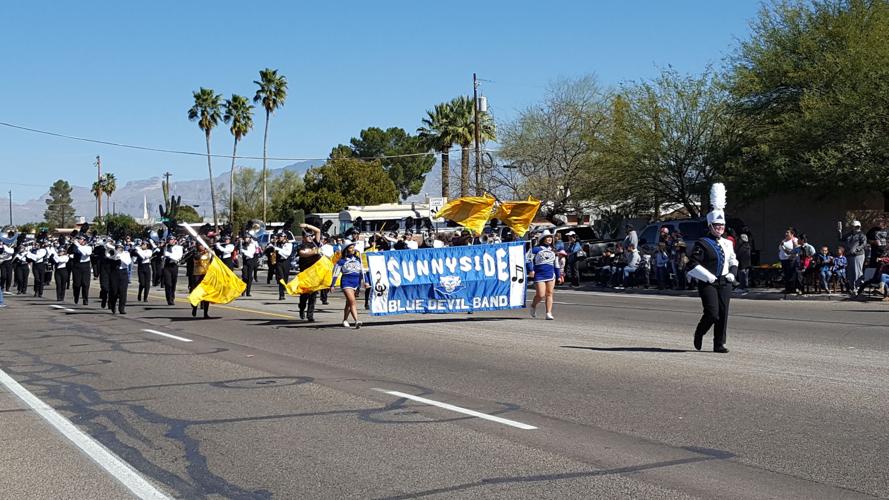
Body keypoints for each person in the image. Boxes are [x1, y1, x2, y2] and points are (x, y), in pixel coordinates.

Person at [687, 183, 737, 354]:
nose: (719, 229)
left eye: (721, 226)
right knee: (712, 313)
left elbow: (733, 260)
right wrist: (708, 277)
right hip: (708, 282)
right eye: (716, 226)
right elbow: (692, 265)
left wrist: (732, 274)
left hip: (725, 282)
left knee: (723, 314)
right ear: (710, 226)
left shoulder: (728, 243)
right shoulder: (702, 243)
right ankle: (700, 332)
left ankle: (719, 343)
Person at [528, 230, 562, 320]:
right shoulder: (536, 249)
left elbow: (556, 264)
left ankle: (548, 313)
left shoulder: (554, 250)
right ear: (543, 239)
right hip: (539, 274)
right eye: (547, 237)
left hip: (550, 274)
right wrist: (531, 270)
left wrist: (558, 276)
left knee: (549, 293)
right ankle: (533, 305)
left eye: (550, 237)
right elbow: (528, 260)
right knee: (540, 294)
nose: (549, 239)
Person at [330, 240, 364, 328]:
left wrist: (362, 283)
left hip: (356, 282)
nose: (352, 249)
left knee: (349, 303)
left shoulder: (358, 259)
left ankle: (345, 319)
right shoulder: (341, 261)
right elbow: (335, 273)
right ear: (346, 249)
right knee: (352, 301)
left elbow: (361, 273)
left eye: (353, 247)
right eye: (350, 247)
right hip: (346, 282)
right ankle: (356, 320)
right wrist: (332, 285)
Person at [296, 224, 322, 320]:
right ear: (303, 237)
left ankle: (310, 315)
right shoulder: (302, 246)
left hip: (314, 273)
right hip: (305, 273)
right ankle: (302, 308)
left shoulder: (315, 244)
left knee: (313, 295)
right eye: (308, 236)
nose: (311, 237)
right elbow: (303, 254)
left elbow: (318, 231)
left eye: (312, 235)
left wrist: (307, 225)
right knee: (304, 295)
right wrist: (314, 252)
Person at [839, 220, 867, 295]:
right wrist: (839, 231)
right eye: (855, 226)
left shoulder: (861, 235)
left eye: (857, 226)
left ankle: (858, 287)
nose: (856, 228)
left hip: (858, 255)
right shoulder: (849, 234)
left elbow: (864, 244)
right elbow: (841, 239)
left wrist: (857, 249)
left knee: (857, 271)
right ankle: (852, 287)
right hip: (849, 255)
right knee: (850, 271)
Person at [107, 242, 131, 315]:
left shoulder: (126, 253)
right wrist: (114, 255)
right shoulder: (113, 253)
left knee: (123, 292)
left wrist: (120, 256)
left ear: (122, 248)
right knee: (114, 291)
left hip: (123, 273)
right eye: (117, 247)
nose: (118, 249)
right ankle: (113, 305)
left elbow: (128, 262)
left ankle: (121, 308)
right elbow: (108, 256)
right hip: (114, 273)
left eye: (120, 247)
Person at [190, 245, 212, 318]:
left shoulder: (208, 253)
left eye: (203, 246)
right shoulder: (195, 252)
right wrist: (202, 252)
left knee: (206, 295)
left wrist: (212, 252)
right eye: (200, 245)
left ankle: (205, 313)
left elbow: (213, 261)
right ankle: (194, 308)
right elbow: (197, 257)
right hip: (197, 275)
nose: (202, 247)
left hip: (206, 275)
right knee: (196, 293)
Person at [71, 235, 93, 305]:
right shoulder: (75, 246)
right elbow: (69, 251)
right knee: (77, 284)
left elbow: (86, 253)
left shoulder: (88, 247)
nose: (79, 240)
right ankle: (76, 296)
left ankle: (85, 299)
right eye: (79, 239)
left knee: (85, 284)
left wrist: (77, 244)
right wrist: (73, 243)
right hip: (77, 265)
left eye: (81, 239)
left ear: (85, 241)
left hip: (85, 266)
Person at [162, 235, 183, 305]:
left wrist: (169, 255)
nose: (171, 241)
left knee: (173, 283)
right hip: (167, 266)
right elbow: (163, 254)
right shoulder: (165, 247)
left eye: (172, 239)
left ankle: (172, 296)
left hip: (174, 266)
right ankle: (169, 299)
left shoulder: (179, 248)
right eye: (170, 240)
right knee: (168, 283)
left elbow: (177, 257)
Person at [272, 233, 293, 301]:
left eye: (281, 236)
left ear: (285, 237)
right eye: (279, 236)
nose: (280, 238)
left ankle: (283, 289)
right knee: (281, 278)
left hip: (286, 262)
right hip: (279, 262)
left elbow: (287, 254)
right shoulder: (277, 244)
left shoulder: (289, 244)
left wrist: (278, 249)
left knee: (285, 279)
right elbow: (272, 253)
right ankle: (281, 295)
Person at [778, 229, 798, 293]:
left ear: (792, 234)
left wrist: (784, 246)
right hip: (783, 260)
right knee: (786, 275)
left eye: (787, 233)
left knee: (791, 274)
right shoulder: (784, 240)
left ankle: (792, 289)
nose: (786, 234)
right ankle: (787, 288)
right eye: (786, 232)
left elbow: (795, 250)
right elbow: (780, 248)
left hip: (790, 259)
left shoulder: (794, 240)